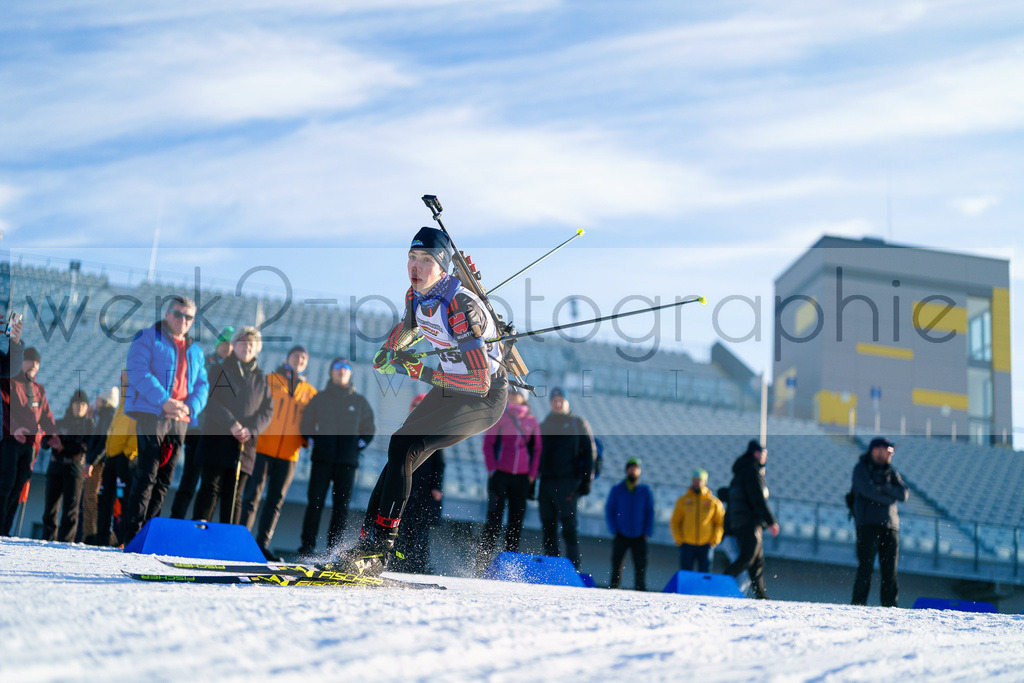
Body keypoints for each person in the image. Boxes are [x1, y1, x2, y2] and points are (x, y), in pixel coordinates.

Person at [331, 226, 509, 576]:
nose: (416, 266)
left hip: (484, 398)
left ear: (442, 267)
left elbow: (477, 380)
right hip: (451, 387)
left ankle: (381, 547)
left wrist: (416, 371)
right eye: (412, 258)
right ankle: (371, 539)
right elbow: (411, 325)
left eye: (426, 260)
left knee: (405, 447)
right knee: (399, 450)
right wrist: (390, 349)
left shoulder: (460, 307)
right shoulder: (417, 296)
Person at [122, 296, 209, 542]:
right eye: (178, 314)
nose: (183, 320)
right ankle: (133, 535)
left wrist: (188, 408)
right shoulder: (147, 337)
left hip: (180, 418)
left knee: (164, 479)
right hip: (154, 412)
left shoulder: (196, 350)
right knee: (147, 473)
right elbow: (137, 369)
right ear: (168, 314)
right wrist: (164, 401)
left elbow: (202, 384)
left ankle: (152, 534)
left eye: (188, 316)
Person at [241, 344, 317, 560]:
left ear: (307, 362)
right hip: (262, 447)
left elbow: (312, 422)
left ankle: (262, 544)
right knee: (251, 496)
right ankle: (242, 539)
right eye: (296, 355)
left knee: (276, 501)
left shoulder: (311, 392)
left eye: (303, 357)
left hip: (289, 454)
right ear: (288, 357)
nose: (299, 360)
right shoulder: (269, 380)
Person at [192, 327, 273, 527]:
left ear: (257, 349)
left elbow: (267, 411)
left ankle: (226, 539)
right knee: (210, 488)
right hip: (216, 441)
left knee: (235, 494)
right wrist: (231, 423)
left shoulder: (261, 379)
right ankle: (199, 533)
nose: (247, 347)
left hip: (244, 447)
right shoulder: (219, 370)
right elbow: (209, 400)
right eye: (243, 342)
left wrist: (250, 430)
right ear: (234, 345)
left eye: (251, 344)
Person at [297, 357, 375, 556]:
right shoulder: (320, 398)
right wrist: (314, 441)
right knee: (315, 503)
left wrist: (358, 446)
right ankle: (307, 547)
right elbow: (306, 424)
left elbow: (369, 428)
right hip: (322, 459)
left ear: (350, 373)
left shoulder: (359, 401)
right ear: (331, 372)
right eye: (338, 367)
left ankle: (334, 550)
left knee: (341, 507)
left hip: (347, 462)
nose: (342, 371)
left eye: (346, 367)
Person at [171, 325, 233, 519]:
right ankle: (177, 518)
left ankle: (202, 523)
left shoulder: (234, 369)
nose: (227, 348)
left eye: (231, 344)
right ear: (218, 345)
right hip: (198, 429)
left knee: (211, 484)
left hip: (218, 433)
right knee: (189, 478)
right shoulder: (205, 362)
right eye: (224, 343)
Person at [477, 385, 541, 566]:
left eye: (517, 393)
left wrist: (532, 475)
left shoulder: (532, 421)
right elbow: (488, 444)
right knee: (493, 520)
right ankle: (482, 563)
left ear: (524, 398)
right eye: (510, 393)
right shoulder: (500, 416)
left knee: (516, 521)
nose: (512, 396)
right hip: (500, 476)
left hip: (522, 478)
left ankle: (510, 564)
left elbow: (537, 450)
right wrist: (492, 469)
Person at [1, 347, 60, 536]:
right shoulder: (8, 382)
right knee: (5, 485)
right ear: (21, 362)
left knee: (18, 488)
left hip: (29, 447)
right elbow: (3, 408)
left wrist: (53, 436)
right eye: (30, 360)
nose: (34, 365)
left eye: (37, 362)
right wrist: (12, 429)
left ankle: (5, 531)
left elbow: (46, 417)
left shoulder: (38, 389)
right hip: (10, 443)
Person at [537, 387, 596, 571]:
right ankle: (551, 567)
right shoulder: (543, 425)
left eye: (561, 400)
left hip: (568, 482)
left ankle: (572, 569)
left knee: (569, 527)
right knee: (548, 526)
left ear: (567, 402)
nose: (557, 403)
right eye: (554, 400)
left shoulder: (577, 423)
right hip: (546, 482)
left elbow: (590, 452)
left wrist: (587, 480)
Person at [851, 437, 909, 608]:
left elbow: (904, 494)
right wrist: (889, 494)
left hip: (891, 526)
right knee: (865, 568)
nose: (891, 454)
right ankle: (858, 605)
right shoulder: (861, 468)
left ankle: (890, 607)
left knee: (890, 571)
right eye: (888, 450)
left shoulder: (891, 471)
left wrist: (883, 488)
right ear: (876, 450)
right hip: (868, 525)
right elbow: (868, 491)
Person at [392, 393, 445, 574]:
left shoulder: (434, 432)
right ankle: (399, 562)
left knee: (421, 529)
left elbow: (440, 464)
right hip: (406, 485)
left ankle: (419, 564)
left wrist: (436, 487)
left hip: (424, 489)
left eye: (420, 406)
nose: (417, 409)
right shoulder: (406, 428)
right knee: (401, 526)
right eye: (415, 406)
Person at [723, 440, 780, 599]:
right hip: (749, 523)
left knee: (757, 562)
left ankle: (761, 596)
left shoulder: (742, 471)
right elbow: (757, 500)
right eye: (762, 452)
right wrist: (771, 521)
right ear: (755, 453)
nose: (764, 456)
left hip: (743, 522)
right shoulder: (751, 471)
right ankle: (719, 583)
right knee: (747, 559)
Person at [42, 390, 93, 542]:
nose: (80, 407)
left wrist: (63, 446)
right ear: (71, 405)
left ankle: (65, 541)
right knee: (50, 508)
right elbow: (45, 442)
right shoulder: (59, 423)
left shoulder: (88, 426)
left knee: (71, 509)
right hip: (55, 468)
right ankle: (48, 538)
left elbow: (84, 447)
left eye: (83, 405)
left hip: (74, 470)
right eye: (77, 404)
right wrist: (51, 442)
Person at [95, 370, 138, 546]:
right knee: (105, 499)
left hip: (125, 458)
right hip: (112, 456)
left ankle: (125, 539)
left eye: (125, 374)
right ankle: (102, 538)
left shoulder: (136, 398)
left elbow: (136, 429)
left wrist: (128, 453)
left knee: (125, 500)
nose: (121, 377)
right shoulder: (122, 399)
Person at [605, 457, 654, 591]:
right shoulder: (617, 489)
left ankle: (640, 588)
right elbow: (610, 509)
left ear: (639, 471)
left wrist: (646, 532)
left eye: (636, 468)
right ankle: (614, 587)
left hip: (639, 534)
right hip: (621, 533)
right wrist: (614, 529)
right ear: (626, 470)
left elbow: (650, 511)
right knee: (617, 563)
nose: (633, 471)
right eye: (631, 468)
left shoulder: (645, 490)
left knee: (641, 564)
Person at [79, 385, 118, 543]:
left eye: (99, 398)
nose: (96, 401)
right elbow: (90, 440)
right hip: (96, 463)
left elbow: (103, 443)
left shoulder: (108, 416)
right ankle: (91, 535)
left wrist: (91, 463)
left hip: (98, 464)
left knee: (91, 498)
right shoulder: (102, 416)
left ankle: (93, 536)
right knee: (90, 499)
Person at [670, 468, 725, 573]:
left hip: (706, 544)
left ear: (705, 482)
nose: (696, 483)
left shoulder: (713, 502)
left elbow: (720, 522)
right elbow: (675, 521)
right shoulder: (683, 501)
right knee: (686, 573)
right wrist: (679, 539)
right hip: (687, 544)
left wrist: (714, 540)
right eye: (694, 480)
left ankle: (702, 590)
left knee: (704, 574)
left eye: (699, 480)